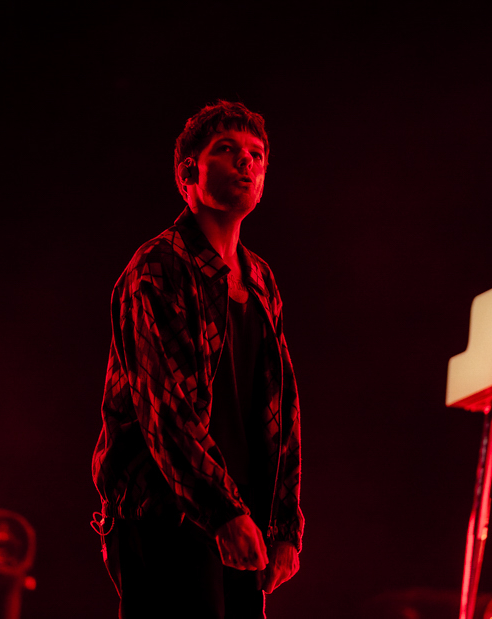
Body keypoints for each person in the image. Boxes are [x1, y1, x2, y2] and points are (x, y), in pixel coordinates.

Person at [91, 100, 304, 619]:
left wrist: (283, 527)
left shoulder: (261, 278)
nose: (246, 162)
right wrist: (223, 511)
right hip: (168, 515)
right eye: (227, 150)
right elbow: (166, 409)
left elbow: (282, 411)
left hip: (241, 517)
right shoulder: (159, 266)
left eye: (256, 154)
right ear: (189, 173)